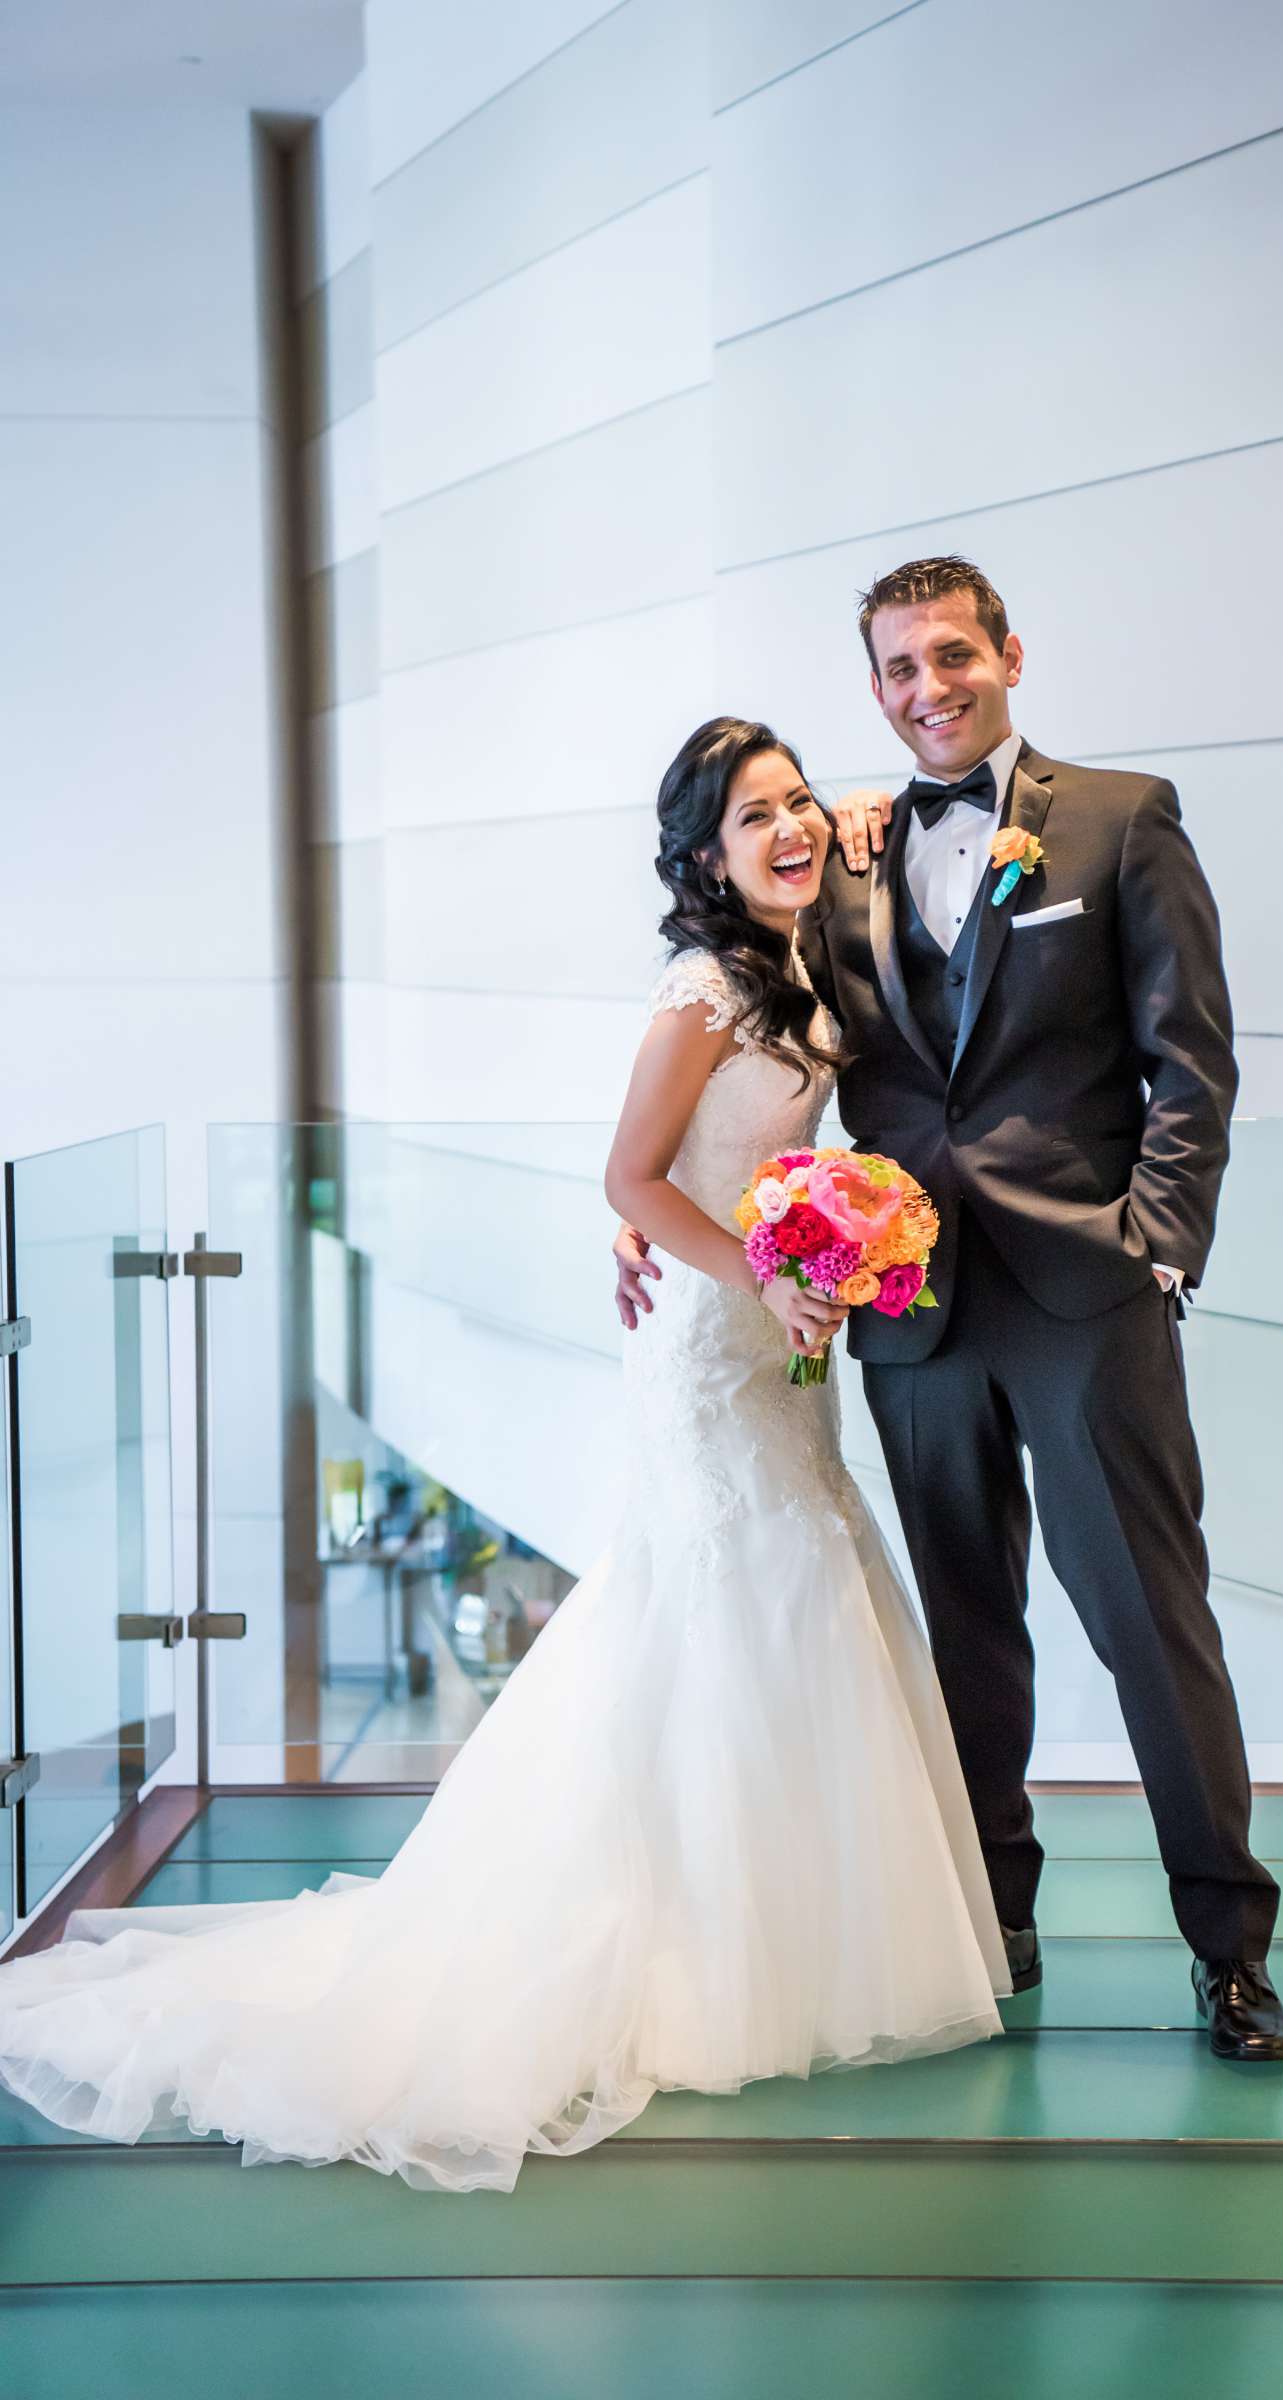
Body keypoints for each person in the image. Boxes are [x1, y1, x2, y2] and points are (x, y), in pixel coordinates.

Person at [0, 718, 1009, 2195]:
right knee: (740, 1591)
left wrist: (849, 817)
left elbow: (732, 1138)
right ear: (702, 855)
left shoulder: (798, 957)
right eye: (752, 817)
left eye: (793, 803)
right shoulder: (702, 989)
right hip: (712, 1351)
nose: (788, 830)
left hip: (770, 1338)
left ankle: (779, 1935)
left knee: (785, 1594)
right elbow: (630, 1174)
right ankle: (697, 1953)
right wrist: (755, 1269)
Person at [616, 558, 1283, 2062]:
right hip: (906, 1311)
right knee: (965, 1633)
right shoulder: (837, 861)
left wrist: (1160, 1246)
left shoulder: (1121, 819)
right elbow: (731, 1051)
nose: (927, 687)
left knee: (1147, 1622)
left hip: (1082, 1292)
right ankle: (993, 1918)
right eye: (898, 669)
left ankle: (1228, 1952)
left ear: (1006, 654)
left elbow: (1191, 1058)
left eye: (950, 655)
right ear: (873, 691)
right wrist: (650, 1215)